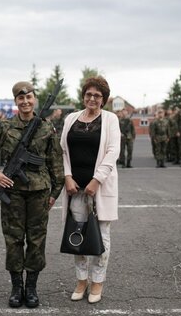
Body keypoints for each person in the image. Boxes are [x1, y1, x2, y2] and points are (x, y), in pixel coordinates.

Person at [0, 81, 64, 308]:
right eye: (20, 98)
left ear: (34, 99)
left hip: (39, 193)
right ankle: (16, 287)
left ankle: (31, 287)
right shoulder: (5, 127)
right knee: (14, 239)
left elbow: (56, 163)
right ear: (16, 101)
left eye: (29, 97)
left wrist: (54, 193)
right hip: (12, 192)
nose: (25, 101)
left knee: (36, 240)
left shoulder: (46, 128)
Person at [60, 76, 120, 304]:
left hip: (100, 189)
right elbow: (63, 151)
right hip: (74, 188)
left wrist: (96, 180)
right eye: (88, 94)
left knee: (100, 236)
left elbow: (112, 152)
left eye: (97, 95)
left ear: (103, 98)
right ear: (83, 95)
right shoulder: (71, 119)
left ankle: (97, 282)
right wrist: (67, 176)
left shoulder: (110, 120)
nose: (92, 98)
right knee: (77, 234)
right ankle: (81, 280)